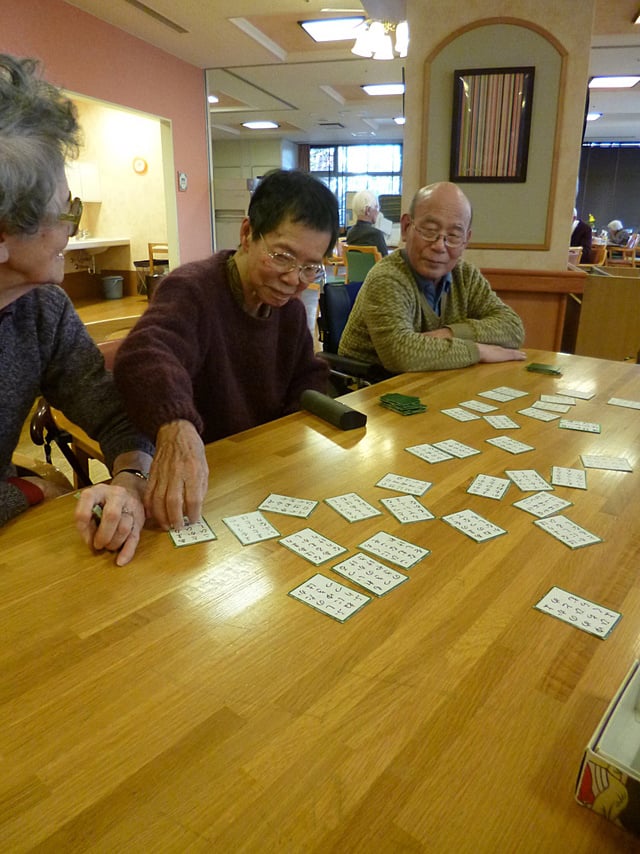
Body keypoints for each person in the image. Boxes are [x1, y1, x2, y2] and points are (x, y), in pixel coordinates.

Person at [114, 169, 338, 532]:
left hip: (260, 474)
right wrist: (177, 425)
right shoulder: (192, 290)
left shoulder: (290, 312)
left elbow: (306, 379)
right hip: (202, 484)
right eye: (283, 256)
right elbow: (146, 353)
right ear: (247, 234)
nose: (294, 279)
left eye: (310, 267)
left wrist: (292, 450)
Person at [0, 54, 154, 565]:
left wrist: (130, 481)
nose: (72, 230)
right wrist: (40, 488)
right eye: (66, 212)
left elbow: (115, 416)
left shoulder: (42, 307)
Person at [338, 181, 526, 372]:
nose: (439, 246)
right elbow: (400, 354)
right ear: (406, 228)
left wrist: (448, 333)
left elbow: (513, 328)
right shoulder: (387, 278)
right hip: (366, 390)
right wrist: (478, 351)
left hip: (431, 383)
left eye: (453, 235)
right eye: (429, 231)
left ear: (466, 240)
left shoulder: (465, 276)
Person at [345, 190, 388, 256]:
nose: (378, 212)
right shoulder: (376, 234)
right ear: (368, 210)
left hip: (355, 266)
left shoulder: (350, 233)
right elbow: (386, 261)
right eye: (376, 207)